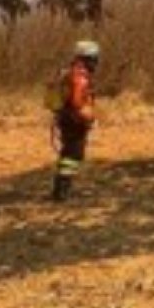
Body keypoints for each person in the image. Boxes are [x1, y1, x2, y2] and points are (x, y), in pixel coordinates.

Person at [50, 40, 100, 201]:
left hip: (65, 118)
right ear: (87, 58)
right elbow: (77, 102)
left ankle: (61, 188)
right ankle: (62, 191)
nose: (96, 63)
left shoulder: (69, 71)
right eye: (94, 59)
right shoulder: (80, 76)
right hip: (74, 120)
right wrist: (89, 118)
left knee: (69, 153)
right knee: (73, 155)